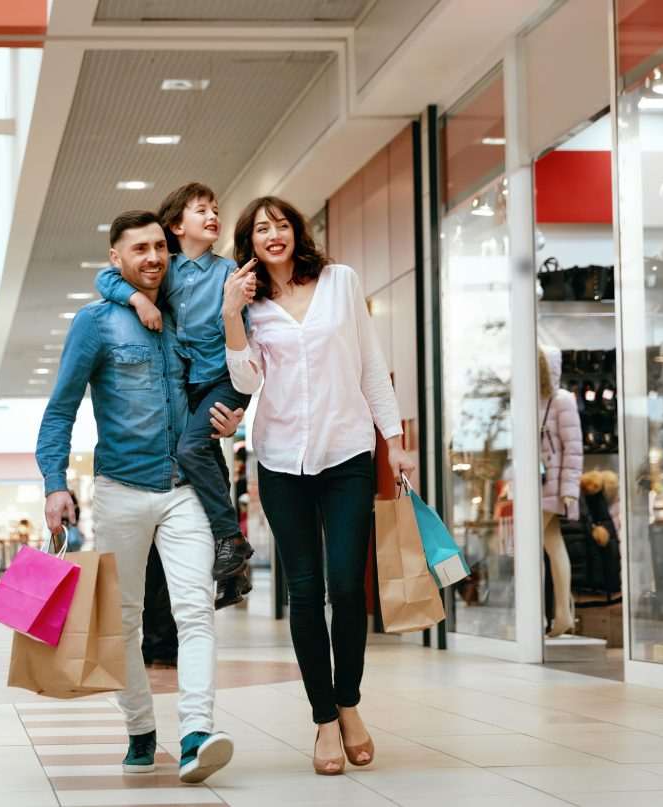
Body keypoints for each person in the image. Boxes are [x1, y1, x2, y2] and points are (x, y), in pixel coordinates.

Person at [37, 210, 244, 784]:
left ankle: (196, 733)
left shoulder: (183, 313)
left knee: (194, 610)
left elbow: (220, 378)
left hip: (185, 488)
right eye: (139, 249)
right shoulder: (96, 323)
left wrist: (231, 419)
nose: (152, 258)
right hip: (120, 489)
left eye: (159, 247)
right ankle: (140, 729)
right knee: (124, 619)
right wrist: (54, 483)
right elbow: (60, 409)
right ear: (116, 258)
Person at [222, 196, 414, 776]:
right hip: (281, 460)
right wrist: (232, 314)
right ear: (250, 244)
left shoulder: (340, 282)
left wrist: (395, 439)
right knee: (304, 593)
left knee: (348, 587)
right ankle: (325, 720)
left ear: (296, 231)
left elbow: (370, 364)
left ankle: (348, 702)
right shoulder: (252, 307)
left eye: (281, 224)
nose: (273, 234)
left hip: (347, 451)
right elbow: (246, 381)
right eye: (261, 229)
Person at [96, 183, 253, 608]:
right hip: (190, 383)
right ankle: (231, 569)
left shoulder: (229, 273)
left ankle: (231, 540)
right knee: (207, 459)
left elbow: (247, 338)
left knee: (190, 449)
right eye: (201, 210)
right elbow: (105, 278)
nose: (213, 216)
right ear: (176, 226)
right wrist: (139, 301)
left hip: (224, 380)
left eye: (215, 209)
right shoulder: (167, 269)